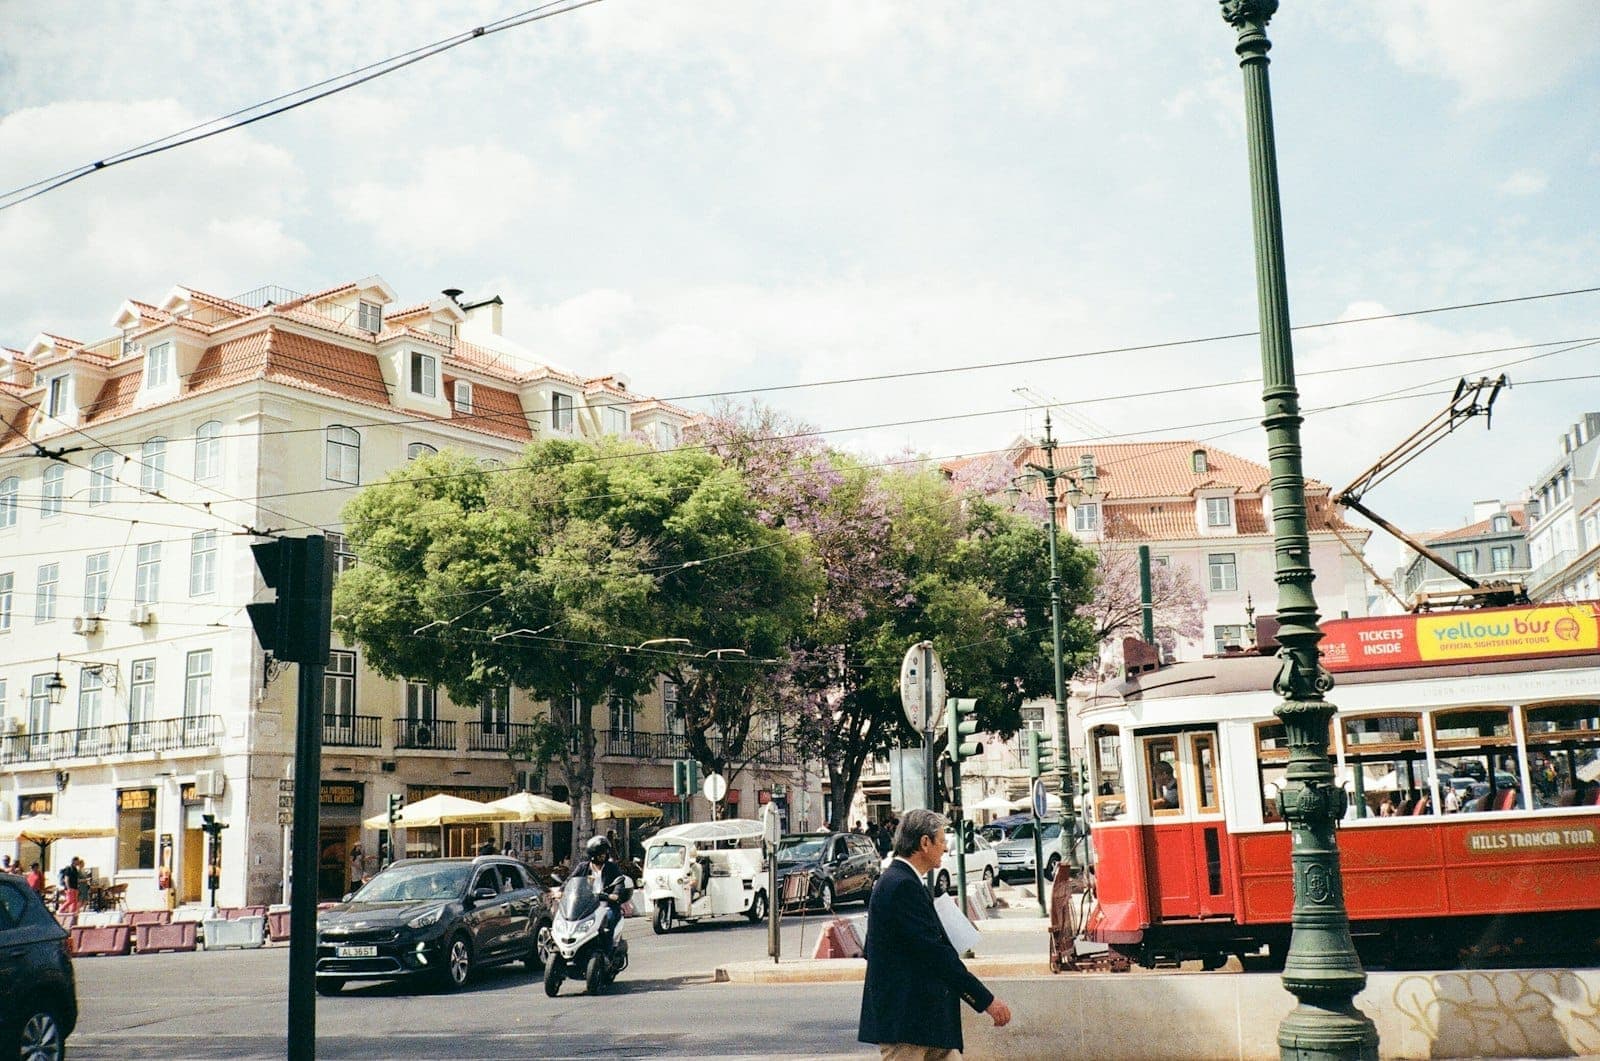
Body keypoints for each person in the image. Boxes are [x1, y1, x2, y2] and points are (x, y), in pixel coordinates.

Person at [859, 809, 1010, 1060]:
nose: (944, 848)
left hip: (926, 1022)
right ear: (924, 843)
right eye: (941, 841)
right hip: (908, 1024)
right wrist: (986, 1001)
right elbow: (934, 953)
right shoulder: (902, 885)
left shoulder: (900, 881)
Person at [569, 835, 630, 950]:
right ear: (593, 854)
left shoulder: (611, 867)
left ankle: (607, 953)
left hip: (607, 906)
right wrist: (560, 891)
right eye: (601, 852)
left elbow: (619, 882)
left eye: (605, 852)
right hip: (587, 907)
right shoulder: (583, 867)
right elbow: (571, 880)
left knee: (608, 922)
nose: (604, 855)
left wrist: (615, 894)